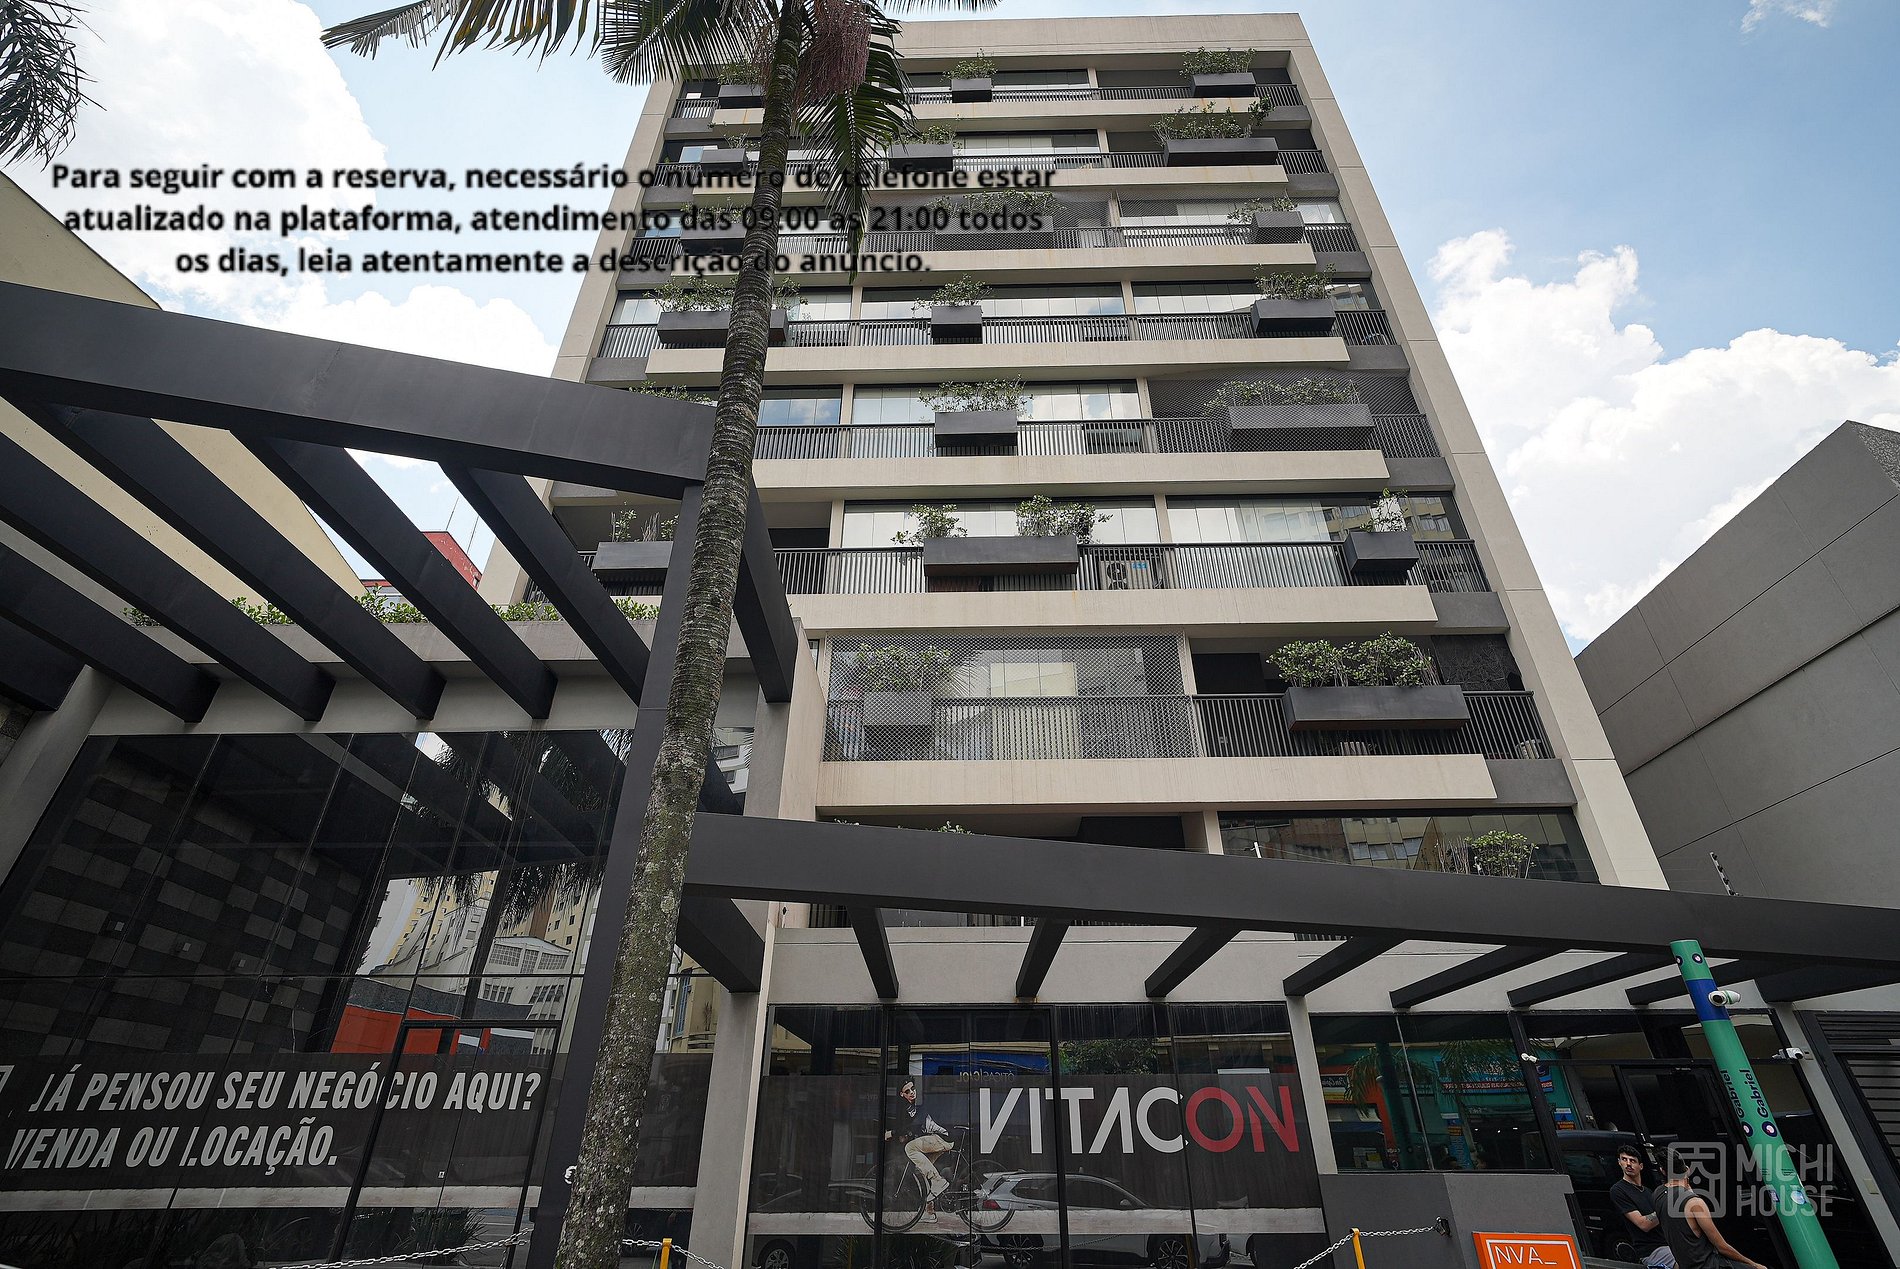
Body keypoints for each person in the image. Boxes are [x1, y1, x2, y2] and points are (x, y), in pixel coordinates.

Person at [1653, 1149, 1768, 1269]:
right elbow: (1721, 1247)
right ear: (1687, 1169)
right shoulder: (1694, 1203)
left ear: (1662, 1171)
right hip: (1708, 1265)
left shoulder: (1658, 1193)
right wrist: (1754, 1265)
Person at [885, 1078, 952, 1219]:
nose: (911, 1092)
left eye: (913, 1089)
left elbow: (913, 1125)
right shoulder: (909, 1108)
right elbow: (911, 1129)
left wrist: (892, 1133)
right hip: (936, 1138)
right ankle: (929, 1212)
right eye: (907, 1091)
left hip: (941, 1137)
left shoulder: (917, 1105)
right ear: (902, 1094)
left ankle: (938, 1181)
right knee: (921, 1170)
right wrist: (903, 1134)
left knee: (910, 1148)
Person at [1609, 1145, 1676, 1268]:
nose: (1628, 1164)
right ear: (1619, 1162)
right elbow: (1643, 1224)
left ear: (1641, 1166)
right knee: (1683, 1261)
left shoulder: (1648, 1192)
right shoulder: (1618, 1190)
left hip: (1668, 1244)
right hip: (1651, 1250)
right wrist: (1665, 1206)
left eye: (1632, 1161)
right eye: (1624, 1159)